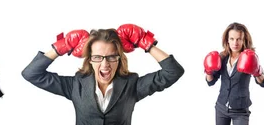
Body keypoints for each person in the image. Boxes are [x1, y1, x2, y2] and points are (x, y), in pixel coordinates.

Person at [21, 24, 184, 125]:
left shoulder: (132, 85)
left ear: (119, 59)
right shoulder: (75, 85)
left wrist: (145, 42)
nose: (105, 64)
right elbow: (31, 74)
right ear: (90, 60)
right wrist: (61, 46)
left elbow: (173, 72)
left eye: (112, 57)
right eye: (97, 57)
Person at [203, 22, 264, 125]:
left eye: (239, 39)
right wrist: (208, 71)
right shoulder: (222, 57)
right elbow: (210, 82)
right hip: (221, 107)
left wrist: (257, 72)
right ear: (227, 40)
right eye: (232, 39)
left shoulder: (249, 57)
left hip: (240, 110)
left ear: (244, 40)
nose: (235, 43)